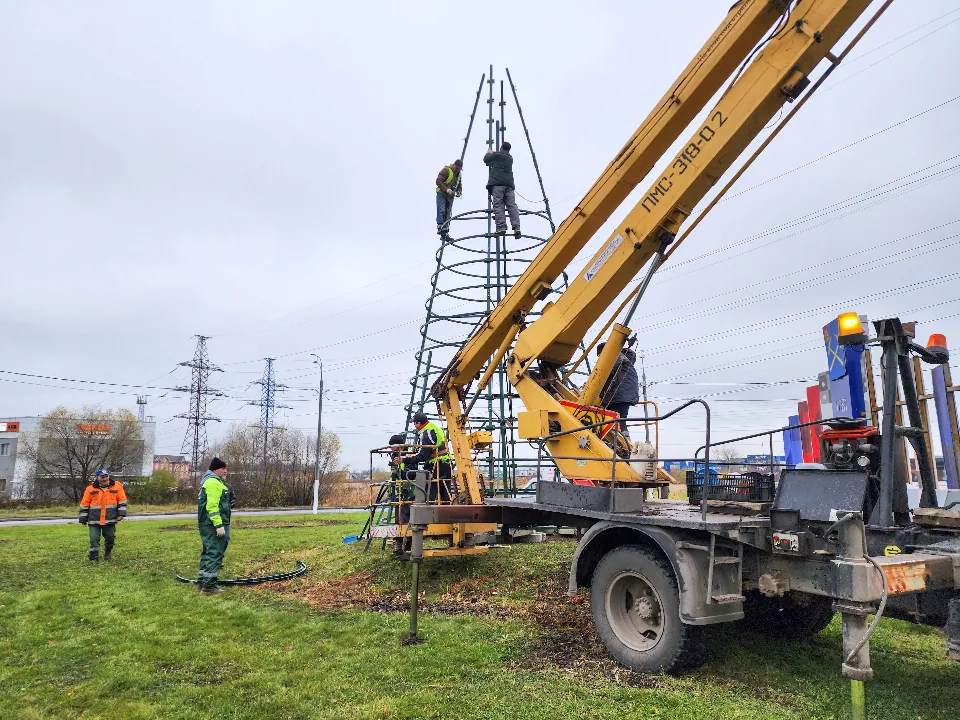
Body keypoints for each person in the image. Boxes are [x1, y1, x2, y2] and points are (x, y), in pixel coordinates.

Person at [197, 457, 231, 595]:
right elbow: (212, 506)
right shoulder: (213, 483)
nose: (225, 471)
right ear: (215, 469)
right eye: (223, 468)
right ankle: (209, 587)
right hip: (211, 524)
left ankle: (201, 582)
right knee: (214, 553)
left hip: (206, 523)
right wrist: (218, 524)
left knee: (207, 552)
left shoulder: (210, 481)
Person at [78, 469, 128, 562]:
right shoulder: (90, 488)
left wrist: (121, 514)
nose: (104, 479)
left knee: (110, 537)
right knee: (94, 539)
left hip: (110, 518)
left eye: (106, 476)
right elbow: (85, 503)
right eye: (102, 477)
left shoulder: (117, 487)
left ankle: (107, 553)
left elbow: (122, 501)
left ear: (108, 476)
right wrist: (83, 518)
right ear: (97, 478)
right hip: (94, 519)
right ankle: (94, 558)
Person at [404, 412, 454, 502]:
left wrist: (404, 459)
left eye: (414, 423)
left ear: (419, 423)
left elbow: (423, 455)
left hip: (436, 465)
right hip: (446, 463)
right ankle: (447, 513)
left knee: (429, 495)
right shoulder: (434, 428)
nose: (414, 426)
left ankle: (426, 514)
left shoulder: (427, 432)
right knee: (445, 494)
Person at [597, 342, 640, 439]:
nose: (599, 358)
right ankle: (625, 441)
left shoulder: (615, 358)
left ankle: (616, 441)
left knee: (608, 418)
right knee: (621, 419)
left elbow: (604, 375)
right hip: (626, 395)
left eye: (600, 355)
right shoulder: (625, 361)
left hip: (618, 395)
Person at [483, 141, 520, 239]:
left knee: (498, 205)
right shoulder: (510, 158)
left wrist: (489, 152)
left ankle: (501, 227)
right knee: (512, 206)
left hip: (498, 184)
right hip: (509, 185)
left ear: (501, 147)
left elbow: (486, 160)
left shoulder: (497, 155)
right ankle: (517, 227)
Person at [435, 159, 463, 235]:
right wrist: (446, 189)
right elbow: (438, 181)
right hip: (442, 193)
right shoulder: (446, 170)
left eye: (459, 169)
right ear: (454, 165)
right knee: (441, 209)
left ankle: (445, 231)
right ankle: (440, 225)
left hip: (449, 197)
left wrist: (459, 192)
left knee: (448, 214)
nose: (458, 170)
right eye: (457, 169)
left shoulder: (458, 175)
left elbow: (459, 185)